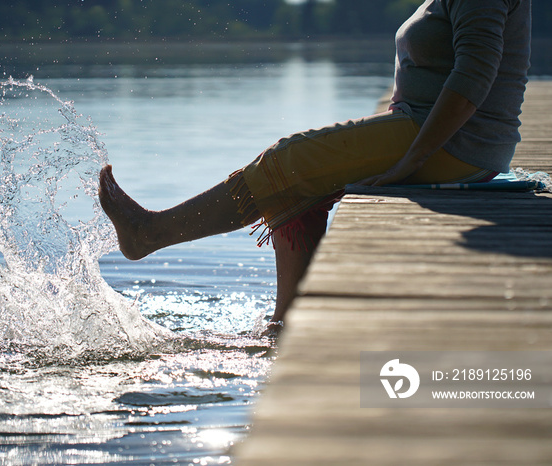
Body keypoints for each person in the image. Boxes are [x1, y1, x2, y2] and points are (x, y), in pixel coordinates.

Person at [99, 0, 531, 336]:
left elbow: (474, 75)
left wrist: (409, 161)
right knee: (297, 184)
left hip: (452, 146)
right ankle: (285, 325)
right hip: (435, 135)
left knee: (288, 161)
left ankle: (151, 233)